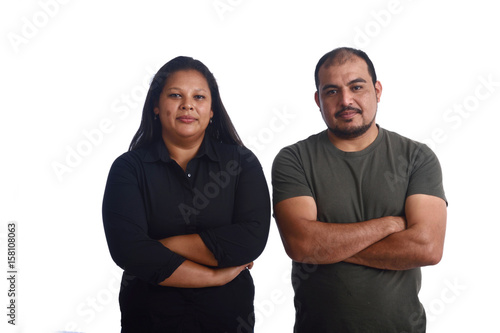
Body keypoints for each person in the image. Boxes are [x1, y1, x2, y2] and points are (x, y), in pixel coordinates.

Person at [272, 47, 447, 332]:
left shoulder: (416, 157)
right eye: (331, 91)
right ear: (318, 100)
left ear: (377, 90)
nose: (345, 100)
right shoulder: (294, 159)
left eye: (357, 87)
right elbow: (301, 244)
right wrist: (389, 225)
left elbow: (427, 248)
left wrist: (327, 246)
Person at [102, 56, 270, 332]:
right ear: (156, 106)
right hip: (150, 319)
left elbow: (250, 240)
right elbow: (127, 251)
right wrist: (213, 277)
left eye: (199, 96)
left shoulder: (241, 163)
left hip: (227, 320)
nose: (187, 105)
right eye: (175, 95)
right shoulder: (128, 169)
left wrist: (157, 244)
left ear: (212, 109)